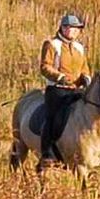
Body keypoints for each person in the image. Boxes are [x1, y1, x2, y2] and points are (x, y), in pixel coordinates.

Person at [37, 12, 92, 170]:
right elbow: (45, 66)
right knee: (52, 117)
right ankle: (47, 153)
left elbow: (84, 67)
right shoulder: (52, 44)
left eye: (76, 29)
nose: (73, 31)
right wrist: (59, 77)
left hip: (76, 89)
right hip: (57, 89)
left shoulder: (79, 47)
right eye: (70, 28)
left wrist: (86, 78)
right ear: (62, 28)